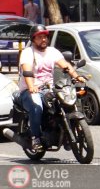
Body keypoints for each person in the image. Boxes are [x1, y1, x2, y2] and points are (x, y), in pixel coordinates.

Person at [18, 24, 86, 152]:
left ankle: (65, 133)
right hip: (30, 90)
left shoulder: (52, 51)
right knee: (36, 107)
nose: (43, 40)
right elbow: (27, 71)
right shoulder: (28, 53)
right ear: (33, 39)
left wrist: (76, 76)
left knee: (66, 103)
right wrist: (31, 86)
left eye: (45, 37)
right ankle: (35, 138)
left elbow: (65, 65)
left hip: (48, 88)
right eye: (39, 37)